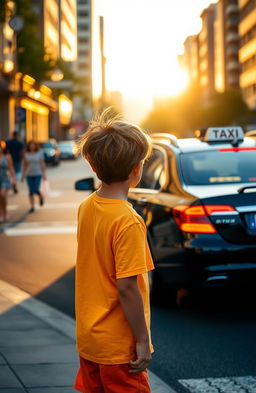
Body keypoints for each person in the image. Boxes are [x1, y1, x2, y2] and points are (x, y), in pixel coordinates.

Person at [73, 110, 154, 393]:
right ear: (136, 169)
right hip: (119, 347)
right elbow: (127, 288)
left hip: (90, 339)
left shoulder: (87, 207)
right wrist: (142, 340)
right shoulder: (128, 220)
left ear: (94, 168)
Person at [21, 140, 46, 213]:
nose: (32, 146)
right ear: (28, 146)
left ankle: (41, 196)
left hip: (38, 174)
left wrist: (44, 174)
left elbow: (42, 163)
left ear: (35, 146)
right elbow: (24, 165)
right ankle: (32, 206)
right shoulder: (26, 153)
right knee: (31, 191)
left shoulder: (39, 152)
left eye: (33, 145)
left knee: (35, 188)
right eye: (30, 145)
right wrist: (23, 175)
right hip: (29, 174)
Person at [0, 141, 16, 223]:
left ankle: (4, 212)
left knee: (2, 195)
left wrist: (14, 180)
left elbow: (11, 168)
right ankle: (2, 214)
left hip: (4, 179)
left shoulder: (7, 157)